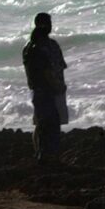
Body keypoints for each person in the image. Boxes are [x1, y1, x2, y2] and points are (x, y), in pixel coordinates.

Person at [22, 12, 68, 162]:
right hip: (51, 90)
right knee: (53, 124)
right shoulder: (48, 46)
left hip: (37, 90)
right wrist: (59, 86)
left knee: (40, 124)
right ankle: (49, 156)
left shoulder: (29, 47)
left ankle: (40, 154)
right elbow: (49, 71)